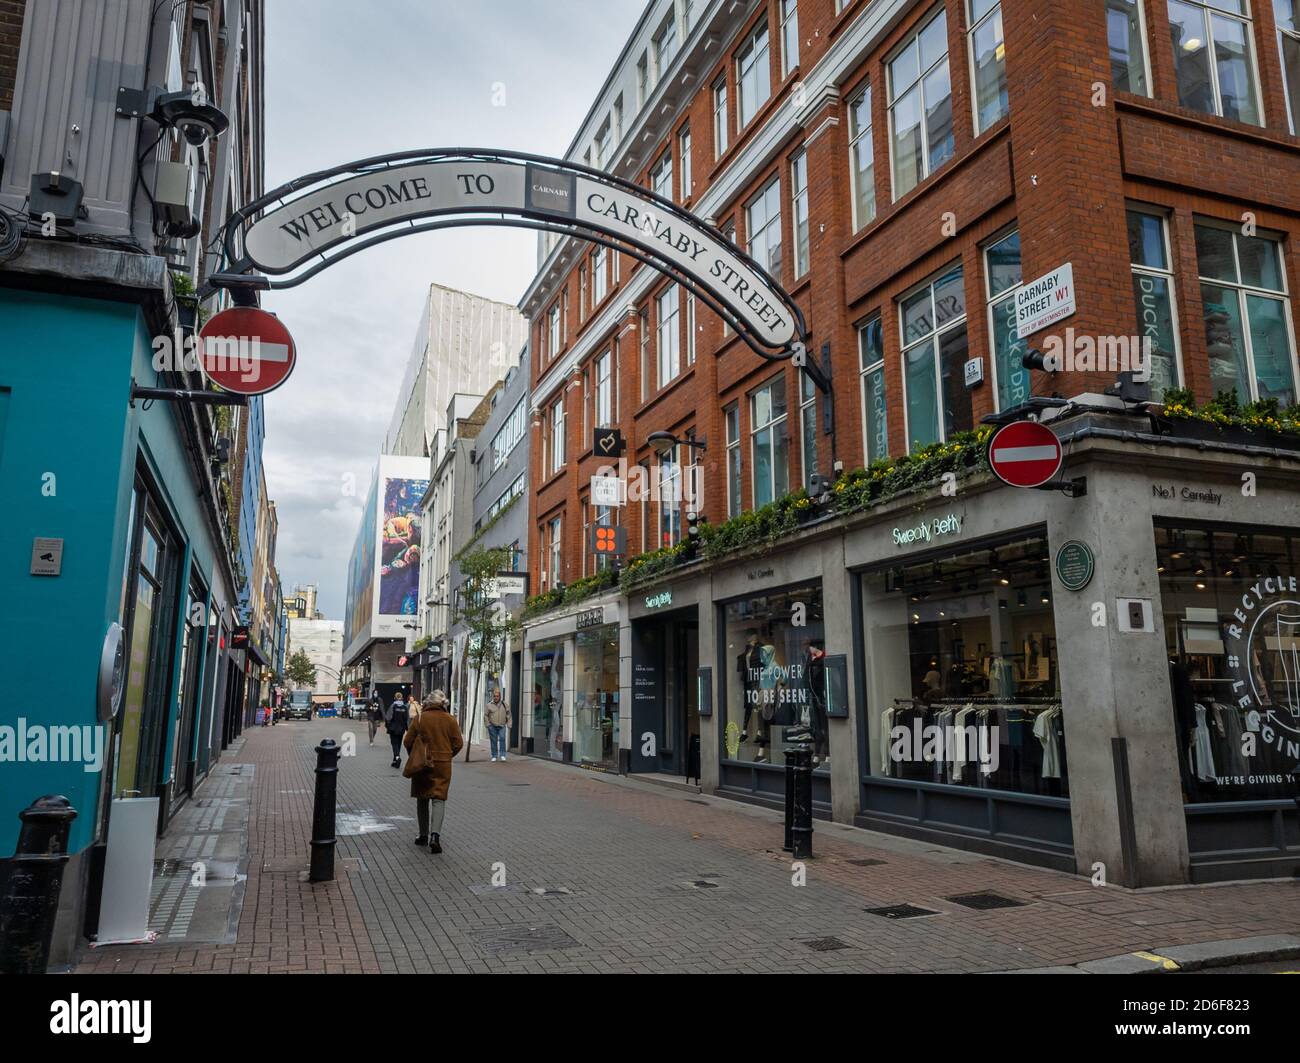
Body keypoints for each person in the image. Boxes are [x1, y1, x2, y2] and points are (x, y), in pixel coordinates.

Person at [404, 690, 463, 853]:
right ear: (443, 703)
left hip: (423, 764)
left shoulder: (420, 719)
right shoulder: (450, 720)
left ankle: (423, 835)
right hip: (443, 764)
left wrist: (415, 755)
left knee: (422, 798)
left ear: (428, 703)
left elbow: (407, 740)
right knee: (438, 798)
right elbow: (458, 743)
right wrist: (448, 755)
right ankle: (435, 836)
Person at [384, 690, 410, 768]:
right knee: (398, 743)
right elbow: (407, 719)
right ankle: (395, 760)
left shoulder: (393, 706)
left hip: (393, 729)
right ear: (402, 698)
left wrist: (387, 725)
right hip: (401, 729)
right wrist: (407, 728)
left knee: (394, 743)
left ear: (395, 698)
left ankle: (397, 757)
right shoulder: (405, 707)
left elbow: (388, 717)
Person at [485, 687, 511, 762]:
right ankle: (494, 755)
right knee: (494, 741)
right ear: (493, 696)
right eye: (494, 696)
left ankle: (502, 755)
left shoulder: (504, 704)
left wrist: (509, 724)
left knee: (502, 739)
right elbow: (485, 715)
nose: (496, 697)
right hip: (492, 726)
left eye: (497, 696)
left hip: (502, 725)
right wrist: (488, 725)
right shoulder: (489, 705)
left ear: (499, 696)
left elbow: (509, 714)